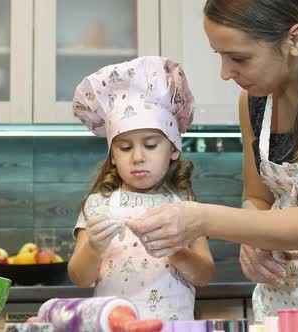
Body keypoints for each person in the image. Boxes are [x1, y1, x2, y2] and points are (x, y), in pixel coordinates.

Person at [128, 0, 298, 322]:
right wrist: (252, 240)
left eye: (239, 58)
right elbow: (257, 198)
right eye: (220, 56)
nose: (225, 73)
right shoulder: (254, 101)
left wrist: (201, 219)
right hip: (284, 304)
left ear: (295, 40)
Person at [68, 56, 214, 321]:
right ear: (112, 155)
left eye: (150, 145)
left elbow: (203, 276)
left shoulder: (186, 206)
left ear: (173, 149)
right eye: (125, 147)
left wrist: (174, 249)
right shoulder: (97, 205)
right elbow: (79, 278)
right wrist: (93, 248)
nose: (137, 157)